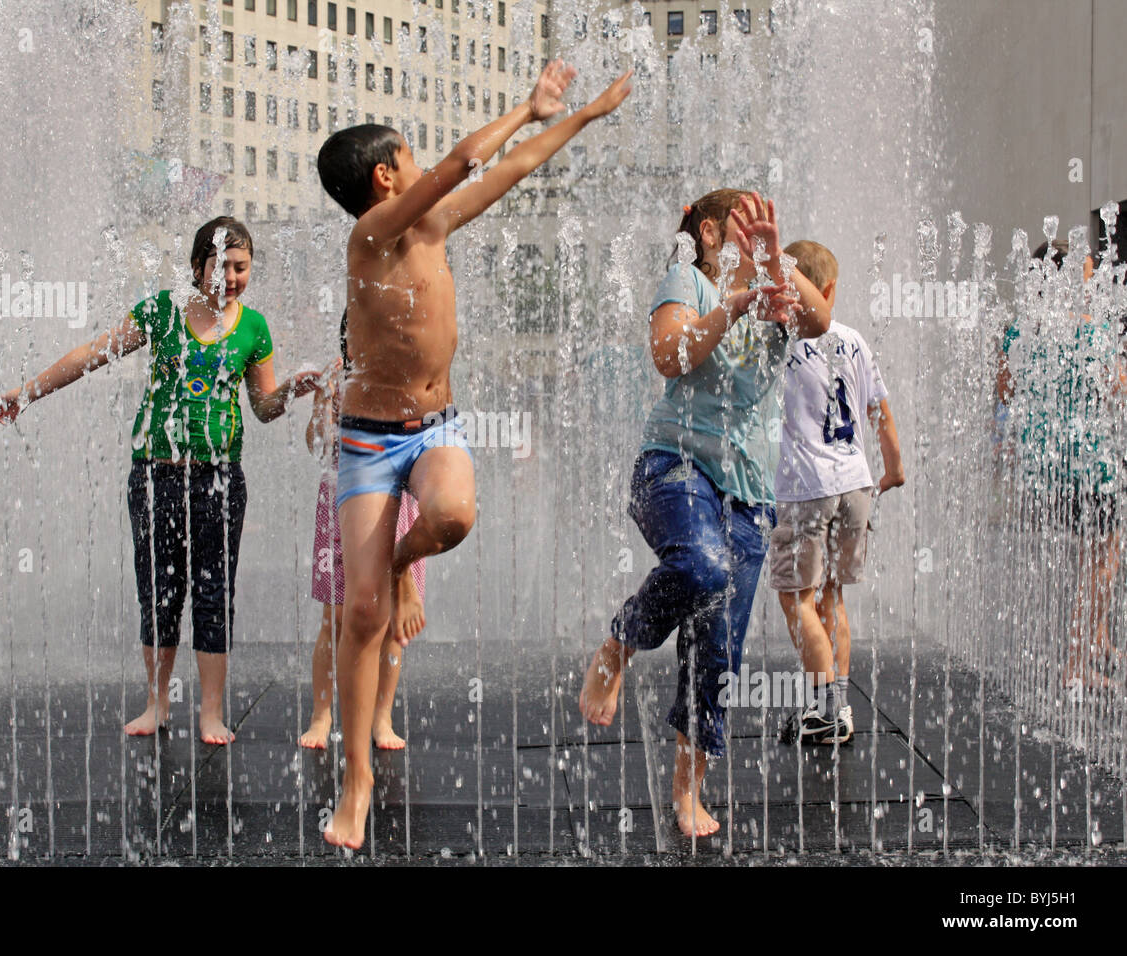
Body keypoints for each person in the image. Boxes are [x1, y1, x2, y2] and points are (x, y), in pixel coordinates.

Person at [315, 60, 634, 849]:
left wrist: (581, 119)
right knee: (360, 614)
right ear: (388, 178)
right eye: (411, 159)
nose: (428, 170)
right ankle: (354, 780)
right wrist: (526, 105)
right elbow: (468, 158)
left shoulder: (429, 226)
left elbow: (516, 167)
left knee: (454, 514)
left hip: (434, 427)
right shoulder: (369, 237)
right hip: (365, 439)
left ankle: (399, 561)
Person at [0, 217, 320, 745]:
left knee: (213, 594)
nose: (230, 277)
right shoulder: (161, 313)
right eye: (220, 266)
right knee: (160, 592)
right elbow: (92, 355)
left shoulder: (254, 328)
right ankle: (157, 703)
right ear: (196, 267)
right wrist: (26, 394)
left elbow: (262, 408)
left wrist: (292, 391)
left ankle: (210, 712)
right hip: (155, 477)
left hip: (220, 479)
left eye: (241, 267)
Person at [579, 190, 831, 839]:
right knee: (700, 567)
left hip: (748, 493)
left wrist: (777, 266)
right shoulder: (688, 279)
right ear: (715, 233)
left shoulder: (778, 293)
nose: (754, 245)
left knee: (719, 649)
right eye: (745, 231)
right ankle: (620, 643)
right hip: (674, 467)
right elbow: (670, 354)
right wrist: (731, 306)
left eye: (764, 234)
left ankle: (688, 789)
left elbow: (822, 320)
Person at [767, 240, 904, 746]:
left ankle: (825, 714)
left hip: (808, 489)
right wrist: (893, 468)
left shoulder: (782, 340)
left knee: (796, 597)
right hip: (856, 484)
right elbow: (880, 414)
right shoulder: (854, 340)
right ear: (826, 290)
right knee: (832, 597)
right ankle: (837, 709)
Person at [1000, 226, 1126, 696]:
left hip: (1046, 465)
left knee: (1096, 555)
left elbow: (1005, 392)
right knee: (1099, 560)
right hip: (1091, 465)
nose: (1091, 286)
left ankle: (1097, 639)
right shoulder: (1089, 328)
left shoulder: (1020, 327)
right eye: (1085, 276)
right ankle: (1077, 663)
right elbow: (1117, 386)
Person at [299, 314, 426, 751]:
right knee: (336, 616)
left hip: (399, 499)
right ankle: (322, 714)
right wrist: (322, 407)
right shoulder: (336, 376)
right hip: (342, 499)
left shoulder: (410, 379)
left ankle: (381, 716)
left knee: (391, 623)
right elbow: (315, 445)